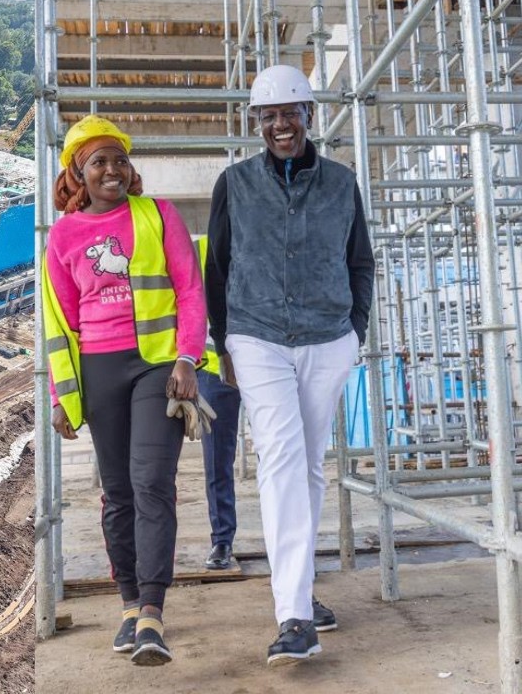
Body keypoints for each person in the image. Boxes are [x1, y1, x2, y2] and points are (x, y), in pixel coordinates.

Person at [205, 64, 374, 665]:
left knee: (308, 467)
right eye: (269, 116)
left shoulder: (340, 182)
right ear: (257, 122)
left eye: (291, 113)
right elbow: (217, 268)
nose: (281, 124)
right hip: (258, 337)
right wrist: (223, 342)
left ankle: (299, 586)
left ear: (309, 116)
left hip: (328, 337)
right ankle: (294, 617)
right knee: (280, 458)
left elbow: (361, 261)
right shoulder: (236, 183)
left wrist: (355, 330)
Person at [44, 115, 206, 666]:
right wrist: (61, 399)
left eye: (118, 159)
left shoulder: (158, 216)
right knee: (117, 493)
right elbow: (59, 321)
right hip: (99, 371)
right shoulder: (63, 235)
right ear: (78, 173)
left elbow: (189, 289)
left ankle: (154, 616)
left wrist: (188, 358)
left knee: (151, 483)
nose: (111, 169)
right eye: (98, 162)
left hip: (157, 367)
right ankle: (130, 605)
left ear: (130, 167)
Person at [192, 236, 243, 572]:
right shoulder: (198, 249)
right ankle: (222, 540)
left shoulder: (262, 240)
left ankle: (290, 546)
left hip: (266, 363)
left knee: (280, 457)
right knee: (217, 461)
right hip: (215, 371)